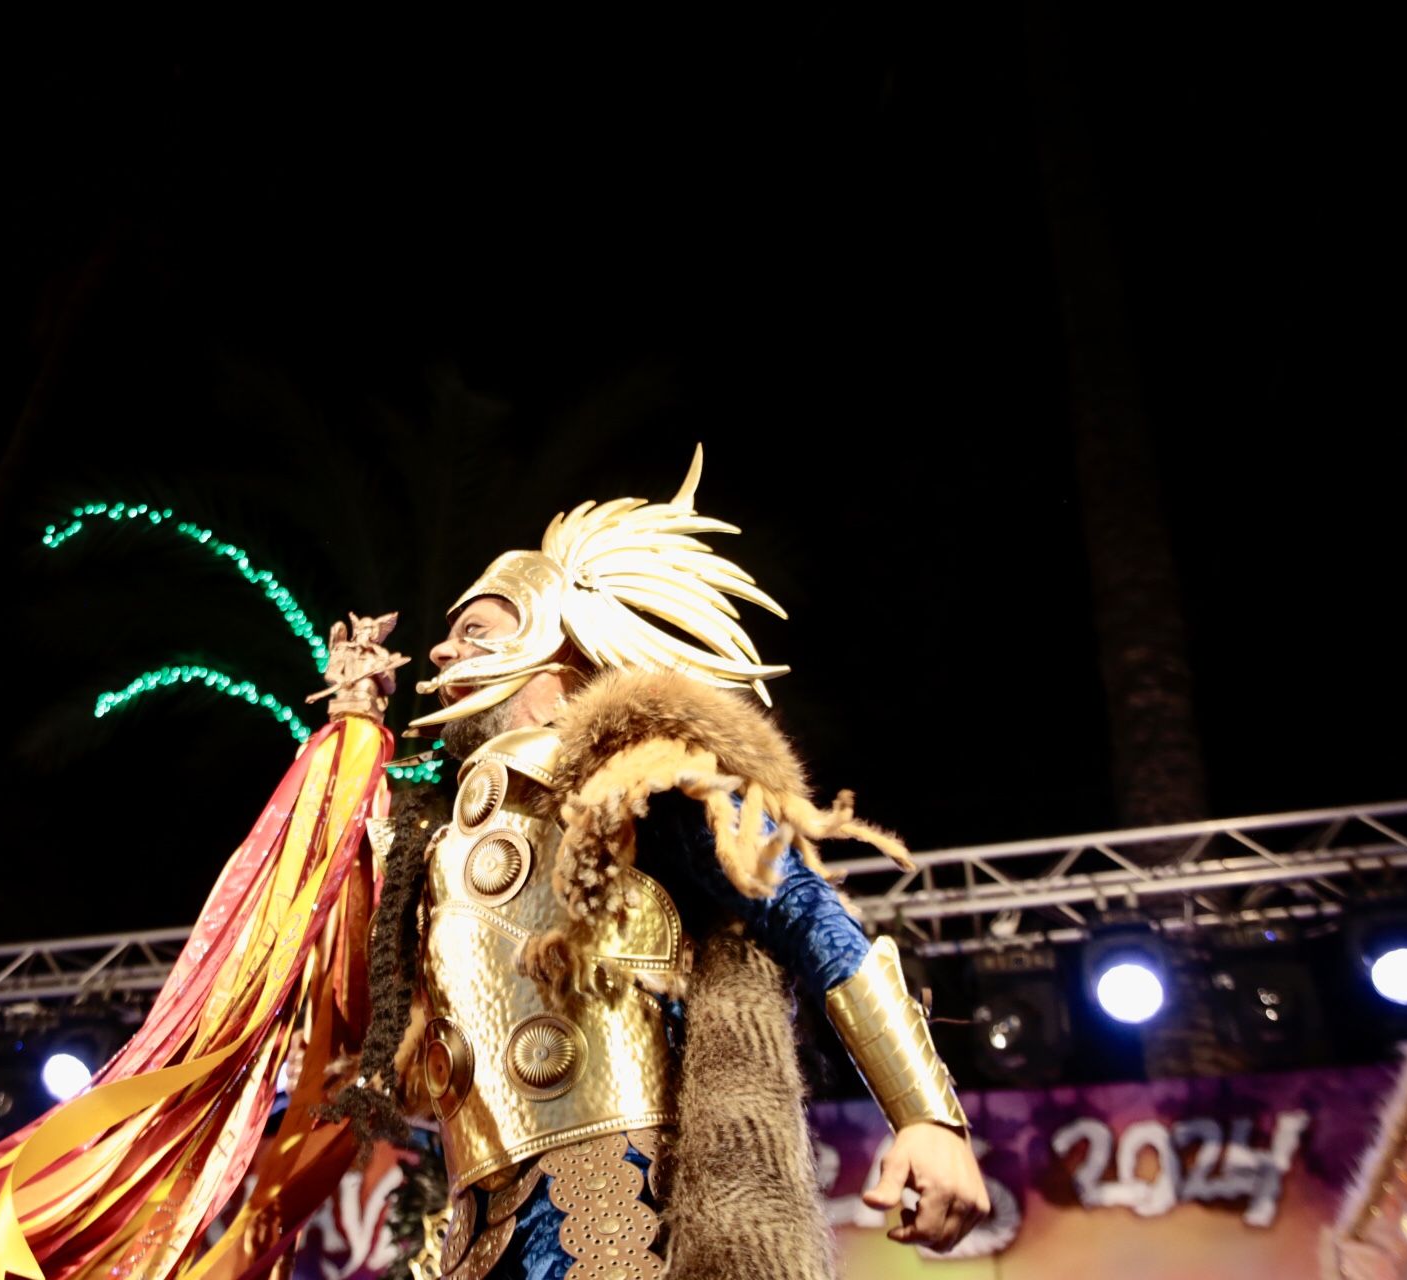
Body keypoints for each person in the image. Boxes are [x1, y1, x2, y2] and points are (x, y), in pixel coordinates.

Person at [330, 447, 989, 1280]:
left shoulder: (643, 782)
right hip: (471, 1230)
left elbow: (812, 918)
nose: (439, 654)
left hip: (627, 1218)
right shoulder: (433, 845)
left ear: (556, 643)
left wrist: (927, 1116)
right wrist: (346, 742)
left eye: (475, 631)